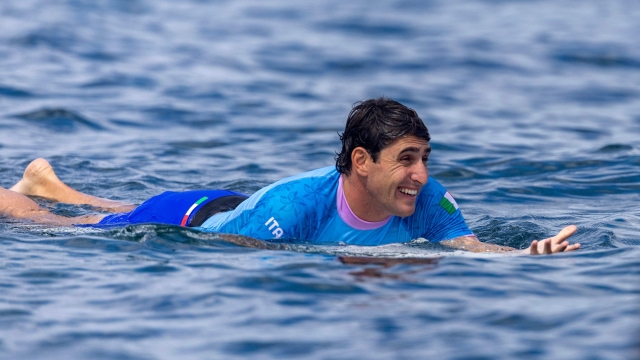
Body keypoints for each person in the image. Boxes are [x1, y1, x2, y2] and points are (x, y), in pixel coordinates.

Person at [0, 98, 580, 255]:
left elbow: (470, 248)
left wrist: (529, 256)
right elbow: (219, 253)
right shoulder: (299, 205)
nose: (421, 173)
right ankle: (29, 198)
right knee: (62, 228)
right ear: (361, 161)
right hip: (194, 219)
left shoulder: (427, 198)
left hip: (232, 201)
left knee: (104, 205)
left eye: (424, 156)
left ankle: (52, 183)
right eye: (406, 158)